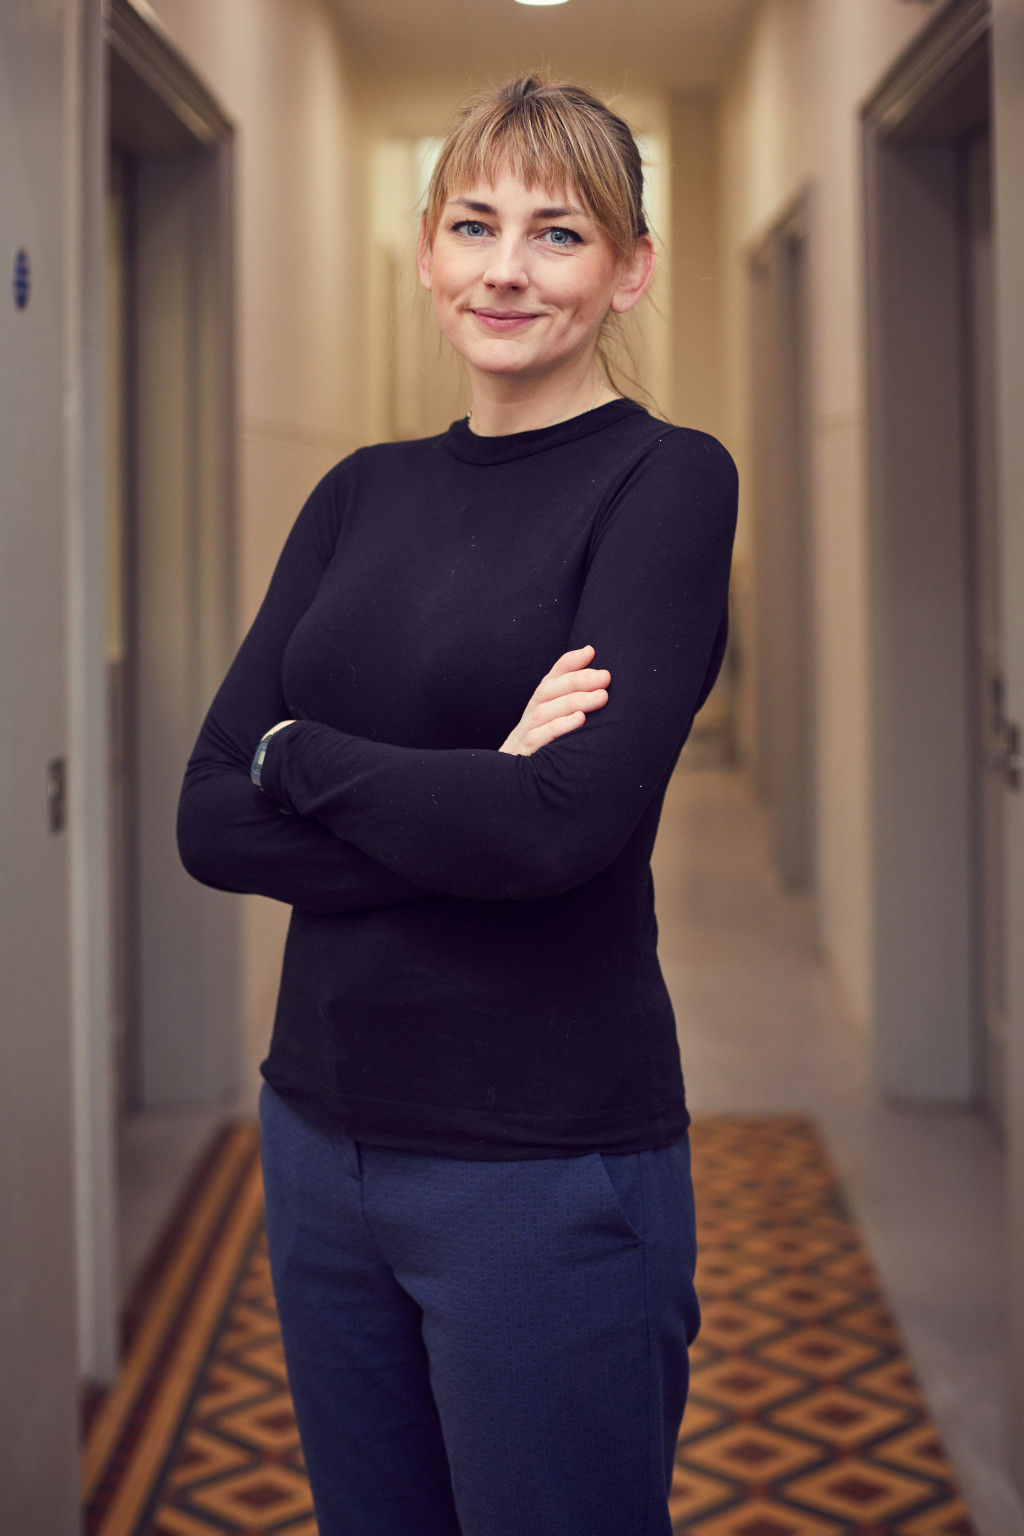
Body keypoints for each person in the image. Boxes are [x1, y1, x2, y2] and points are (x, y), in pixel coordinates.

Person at [178, 73, 737, 1536]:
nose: (506, 268)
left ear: (631, 270)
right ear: (428, 249)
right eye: (475, 223)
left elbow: (563, 830)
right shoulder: (358, 495)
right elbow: (203, 818)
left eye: (560, 235)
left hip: (543, 1165)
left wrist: (302, 757)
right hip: (316, 1133)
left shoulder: (666, 485)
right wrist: (478, 794)